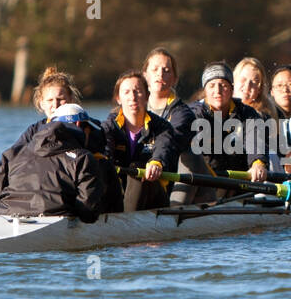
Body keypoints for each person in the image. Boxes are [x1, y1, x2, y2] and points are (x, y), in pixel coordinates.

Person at [0, 104, 106, 222]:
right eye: (89, 129)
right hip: (53, 218)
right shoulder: (83, 158)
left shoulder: (16, 152)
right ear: (79, 124)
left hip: (7, 214)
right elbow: (88, 212)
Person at [101, 71, 178, 211]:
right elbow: (105, 151)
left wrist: (156, 163)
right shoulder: (108, 127)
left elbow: (163, 149)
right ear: (119, 98)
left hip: (154, 194)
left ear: (147, 96)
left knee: (138, 167)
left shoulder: (162, 127)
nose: (133, 97)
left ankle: (126, 223)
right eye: (127, 92)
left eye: (138, 91)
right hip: (120, 194)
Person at [188, 63, 269, 194]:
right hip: (204, 180)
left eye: (223, 85)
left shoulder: (247, 113)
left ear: (232, 89)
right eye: (212, 85)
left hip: (237, 181)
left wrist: (258, 163)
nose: (218, 91)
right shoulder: (193, 113)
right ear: (205, 91)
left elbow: (255, 141)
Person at [142, 47, 195, 153]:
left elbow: (170, 143)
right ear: (145, 75)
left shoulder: (183, 113)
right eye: (154, 69)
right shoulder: (131, 106)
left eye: (166, 71)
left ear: (175, 79)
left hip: (166, 166)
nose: (160, 74)